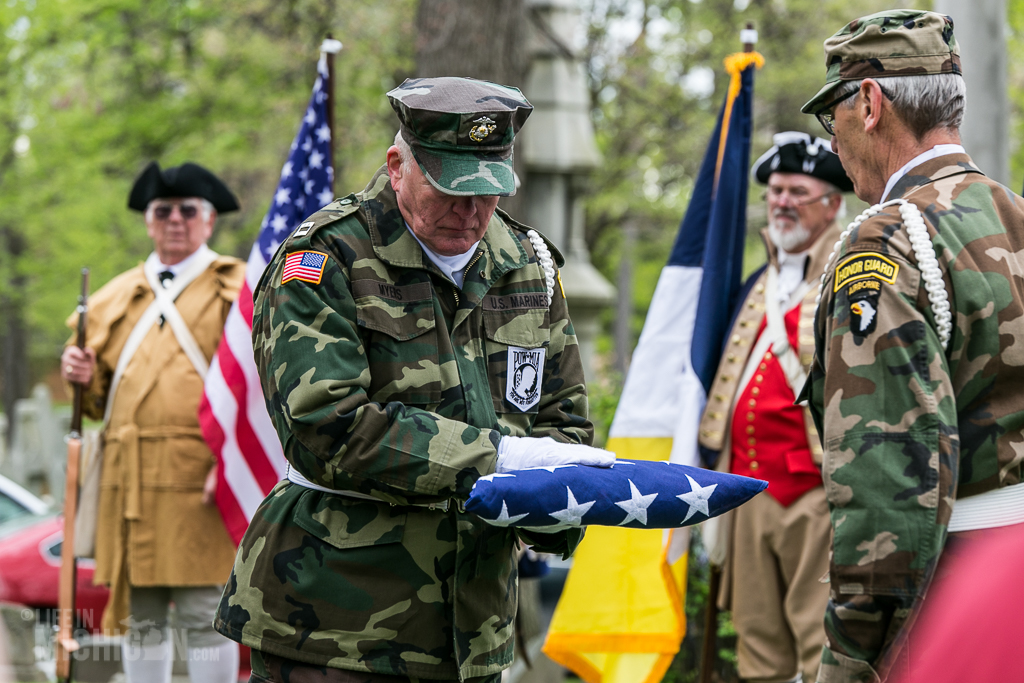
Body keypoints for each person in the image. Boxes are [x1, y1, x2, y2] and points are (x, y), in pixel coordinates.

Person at [213, 77, 612, 683]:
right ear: (398, 166)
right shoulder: (324, 259)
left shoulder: (525, 262)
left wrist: (558, 502)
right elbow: (331, 426)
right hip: (336, 625)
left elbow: (563, 418)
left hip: (474, 629)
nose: (471, 211)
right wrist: (499, 459)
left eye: (488, 191)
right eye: (451, 189)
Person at [800, 9, 1024, 682]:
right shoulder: (1015, 213)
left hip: (954, 603)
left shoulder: (889, 239)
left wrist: (851, 657)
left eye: (830, 114)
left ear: (868, 103)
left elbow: (888, 486)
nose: (832, 139)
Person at [61, 161, 244, 682]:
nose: (175, 221)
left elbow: (251, 390)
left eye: (189, 211)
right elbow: (95, 404)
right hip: (130, 477)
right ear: (148, 221)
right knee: (139, 616)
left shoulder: (235, 288)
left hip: (200, 474)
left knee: (205, 612)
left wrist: (229, 464)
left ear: (209, 221)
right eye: (163, 211)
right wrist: (81, 375)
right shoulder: (114, 297)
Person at [698, 132, 851, 683]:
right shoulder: (757, 282)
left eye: (798, 191)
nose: (782, 201)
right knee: (759, 650)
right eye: (776, 190)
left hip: (816, 496)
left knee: (822, 647)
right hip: (746, 490)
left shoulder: (848, 273)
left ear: (833, 203)